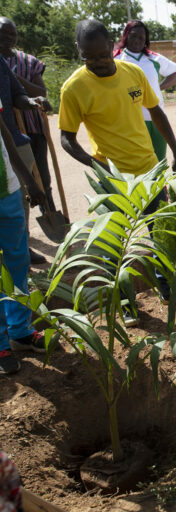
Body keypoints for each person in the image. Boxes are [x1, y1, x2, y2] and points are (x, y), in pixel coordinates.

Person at [59, 19, 176, 327]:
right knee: (114, 247)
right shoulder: (74, 87)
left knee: (161, 235)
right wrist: (93, 164)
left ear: (110, 45)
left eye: (102, 55)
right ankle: (126, 303)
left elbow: (156, 110)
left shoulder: (134, 72)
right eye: (90, 58)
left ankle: (166, 287)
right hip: (111, 177)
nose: (99, 63)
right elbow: (66, 137)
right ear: (80, 51)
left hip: (148, 170)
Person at [0, 97, 48, 374]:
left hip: (7, 188)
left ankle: (19, 331)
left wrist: (28, 179)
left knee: (17, 261)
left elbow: (3, 131)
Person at [0, 21, 49, 265]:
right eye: (2, 34)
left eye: (11, 34)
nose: (7, 39)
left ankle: (22, 248)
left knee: (19, 203)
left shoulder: (2, 64)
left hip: (13, 141)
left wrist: (32, 102)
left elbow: (18, 94)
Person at [114, 20, 176, 162]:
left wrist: (157, 88)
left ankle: (160, 185)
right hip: (131, 122)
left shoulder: (153, 58)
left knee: (159, 162)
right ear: (126, 36)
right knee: (137, 164)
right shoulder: (117, 59)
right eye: (134, 36)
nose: (137, 41)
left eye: (142, 38)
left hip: (157, 120)